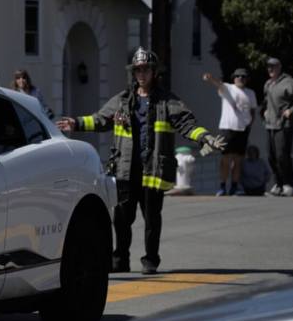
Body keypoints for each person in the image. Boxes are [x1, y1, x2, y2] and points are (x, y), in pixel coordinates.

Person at [56, 48, 225, 275]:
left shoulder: (167, 101)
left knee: (152, 220)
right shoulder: (123, 100)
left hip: (153, 170)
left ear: (154, 72)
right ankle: (120, 260)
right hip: (126, 170)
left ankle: (150, 260)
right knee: (121, 220)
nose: (142, 74)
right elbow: (101, 119)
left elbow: (187, 124)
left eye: (146, 69)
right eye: (138, 70)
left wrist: (206, 137)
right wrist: (76, 123)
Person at [202, 68, 257, 195]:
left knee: (238, 160)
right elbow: (218, 83)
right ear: (234, 78)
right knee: (225, 159)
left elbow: (253, 110)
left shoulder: (251, 93)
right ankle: (222, 186)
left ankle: (234, 186)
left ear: (247, 79)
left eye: (243, 76)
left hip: (242, 130)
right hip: (227, 128)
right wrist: (210, 78)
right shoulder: (228, 88)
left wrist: (250, 124)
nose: (240, 78)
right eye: (237, 76)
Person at [260, 57, 293, 197]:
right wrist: (264, 110)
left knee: (282, 155)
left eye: (273, 66)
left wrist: (291, 110)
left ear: (279, 67)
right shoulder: (267, 84)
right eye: (268, 67)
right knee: (271, 156)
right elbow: (266, 100)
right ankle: (278, 184)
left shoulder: (289, 81)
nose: (270, 69)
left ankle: (289, 184)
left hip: (284, 124)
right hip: (270, 124)